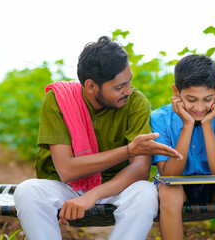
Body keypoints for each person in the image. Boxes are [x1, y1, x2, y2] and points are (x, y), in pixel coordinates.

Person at [14, 36, 182, 240]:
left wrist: (93, 195)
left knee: (145, 192)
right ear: (91, 86)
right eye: (119, 87)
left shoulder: (135, 102)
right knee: (27, 191)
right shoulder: (59, 100)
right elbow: (66, 170)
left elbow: (140, 169)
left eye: (129, 82)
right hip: (66, 187)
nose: (128, 91)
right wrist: (128, 151)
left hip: (116, 186)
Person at [151, 54, 215, 240]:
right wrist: (187, 125)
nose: (199, 107)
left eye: (207, 99)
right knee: (169, 192)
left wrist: (206, 125)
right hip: (175, 185)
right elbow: (168, 174)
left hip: (214, 184)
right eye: (191, 99)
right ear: (176, 92)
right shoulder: (160, 119)